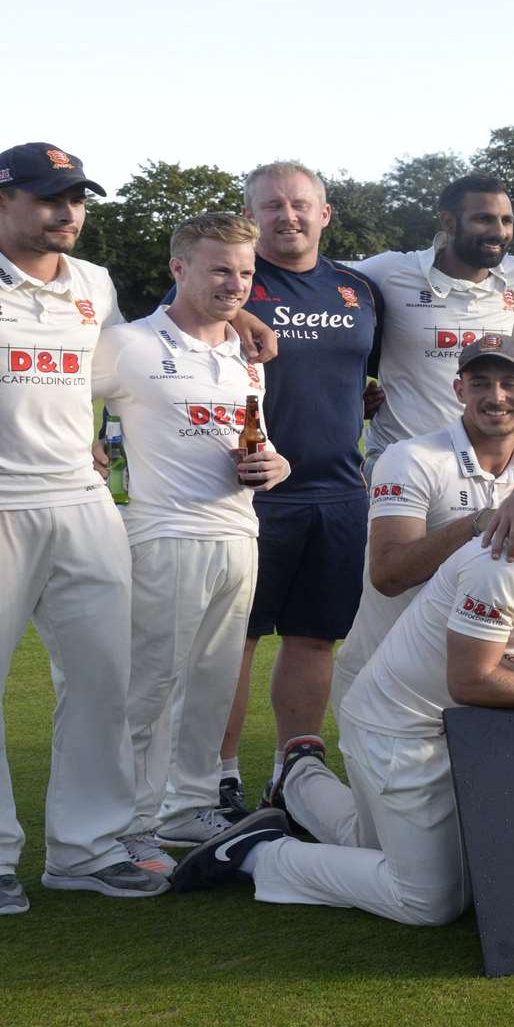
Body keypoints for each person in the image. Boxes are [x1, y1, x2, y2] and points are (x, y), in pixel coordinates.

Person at [170, 440, 514, 925]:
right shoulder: (500, 565)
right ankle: (261, 854)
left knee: (383, 847)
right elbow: (471, 682)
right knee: (430, 900)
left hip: (476, 725)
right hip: (402, 727)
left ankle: (298, 779)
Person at [92, 213, 291, 872]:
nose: (235, 284)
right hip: (164, 537)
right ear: (179, 268)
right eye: (219, 269)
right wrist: (84, 439)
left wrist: (277, 465)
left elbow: (256, 442)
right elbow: (66, 400)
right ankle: (130, 825)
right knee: (150, 687)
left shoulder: (244, 355)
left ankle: (188, 807)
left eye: (245, 272)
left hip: (239, 535)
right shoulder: (129, 344)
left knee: (211, 684)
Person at [0, 142, 168, 909]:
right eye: (46, 197)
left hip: (81, 502)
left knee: (104, 679)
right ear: (4, 201)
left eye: (77, 197)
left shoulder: (94, 283)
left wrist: (238, 335)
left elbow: (125, 367)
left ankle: (87, 849)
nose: (67, 211)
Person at [213, 161, 382, 814]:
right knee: (235, 639)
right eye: (271, 206)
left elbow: (362, 378)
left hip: (339, 493)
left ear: (324, 213)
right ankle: (217, 774)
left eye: (300, 204)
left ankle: (293, 772)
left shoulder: (358, 290)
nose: (287, 216)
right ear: (250, 215)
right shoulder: (227, 285)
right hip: (245, 497)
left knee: (315, 637)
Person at [328, 335, 514, 727]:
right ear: (459, 390)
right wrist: (480, 522)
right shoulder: (410, 458)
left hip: (491, 683)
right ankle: (301, 774)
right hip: (392, 685)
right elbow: (388, 575)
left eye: (511, 383)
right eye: (480, 383)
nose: (496, 396)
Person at [357, 174, 514, 467]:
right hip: (401, 461)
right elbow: (317, 286)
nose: (499, 232)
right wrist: (344, 390)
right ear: (449, 222)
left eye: (507, 220)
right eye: (484, 219)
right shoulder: (391, 271)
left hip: (483, 465)